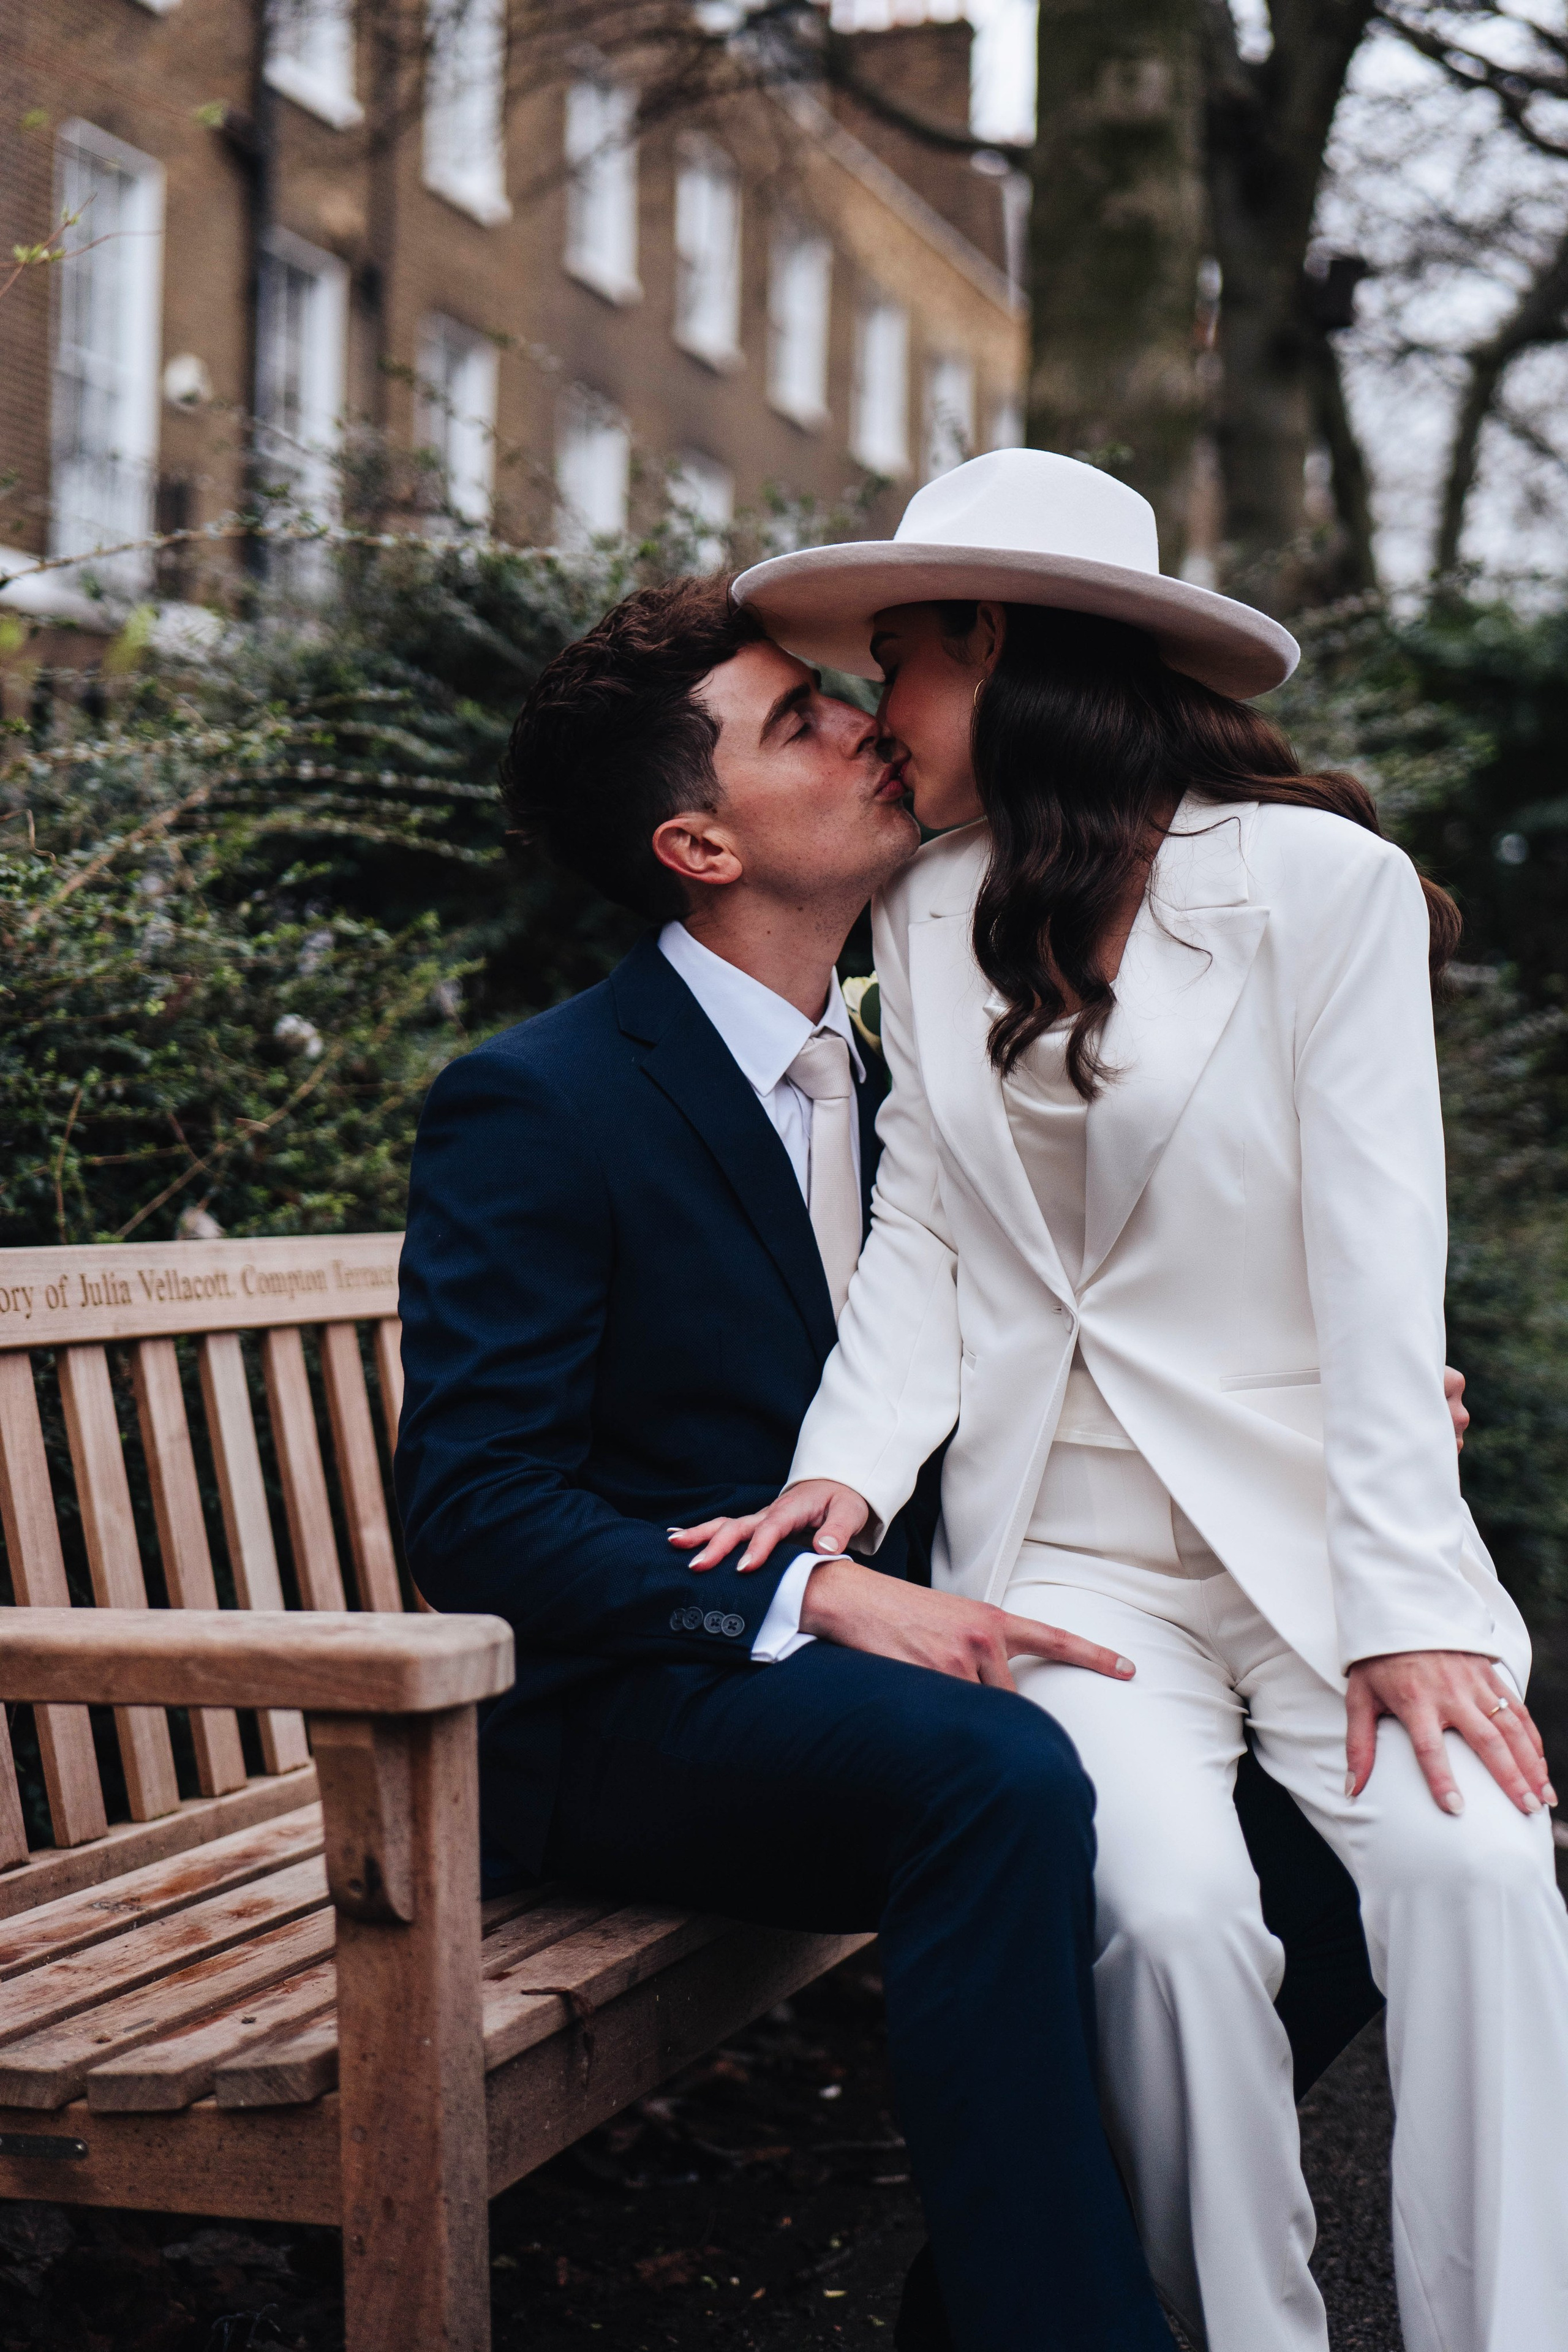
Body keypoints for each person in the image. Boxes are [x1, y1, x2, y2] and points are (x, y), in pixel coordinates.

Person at [394, 576, 1393, 2352]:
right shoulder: (542, 1103)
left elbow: (1093, 1325)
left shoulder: (922, 1047)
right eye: (800, 719)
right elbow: (475, 1514)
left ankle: (995, 2301)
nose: (870, 718)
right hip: (627, 1711)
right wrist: (811, 1588)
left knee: (1329, 1837)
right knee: (995, 1776)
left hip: (910, 1639)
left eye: (849, 692)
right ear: (696, 840)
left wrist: (1328, 1390)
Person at [690, 448, 1568, 2352]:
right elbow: (924, 1233)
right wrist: (841, 1474)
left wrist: (1413, 1605)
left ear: (1001, 649)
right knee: (1163, 1926)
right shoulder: (923, 917)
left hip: (1314, 1531)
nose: (878, 721)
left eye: (903, 666)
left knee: (1481, 1874)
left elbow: (1376, 1233)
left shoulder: (1315, 886)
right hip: (1066, 1553)